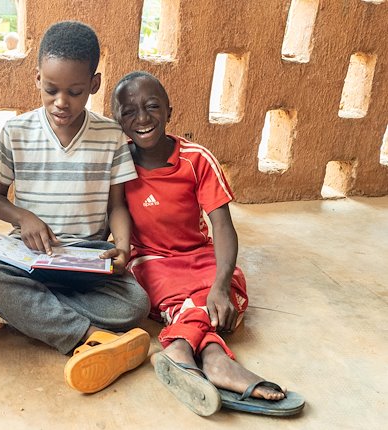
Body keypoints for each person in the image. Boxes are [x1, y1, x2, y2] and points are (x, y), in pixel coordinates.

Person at [0, 21, 152, 394]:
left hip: (86, 256)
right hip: (27, 257)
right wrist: (23, 217)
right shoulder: (17, 132)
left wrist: (123, 248)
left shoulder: (111, 136)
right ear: (37, 78)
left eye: (75, 92)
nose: (61, 102)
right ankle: (92, 337)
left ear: (93, 85)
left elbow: (118, 206)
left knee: (134, 306)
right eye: (51, 89)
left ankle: (9, 310)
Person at [111, 71, 305, 416]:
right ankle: (216, 358)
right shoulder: (119, 164)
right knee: (174, 296)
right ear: (117, 120)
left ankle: (182, 348)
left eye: (152, 106)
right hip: (150, 260)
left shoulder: (196, 158)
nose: (142, 118)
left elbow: (223, 228)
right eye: (129, 111)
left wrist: (219, 284)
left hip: (198, 255)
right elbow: (113, 214)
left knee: (226, 289)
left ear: (169, 111)